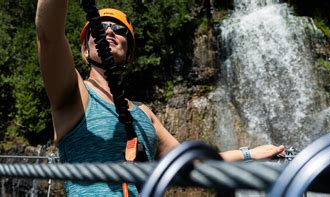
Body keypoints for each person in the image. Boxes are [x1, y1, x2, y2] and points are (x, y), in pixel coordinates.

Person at [35, 1, 285, 196]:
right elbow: (48, 34)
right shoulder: (73, 93)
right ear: (85, 49)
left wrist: (250, 153)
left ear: (129, 51)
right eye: (99, 28)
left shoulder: (145, 114)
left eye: (118, 29)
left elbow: (192, 162)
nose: (109, 31)